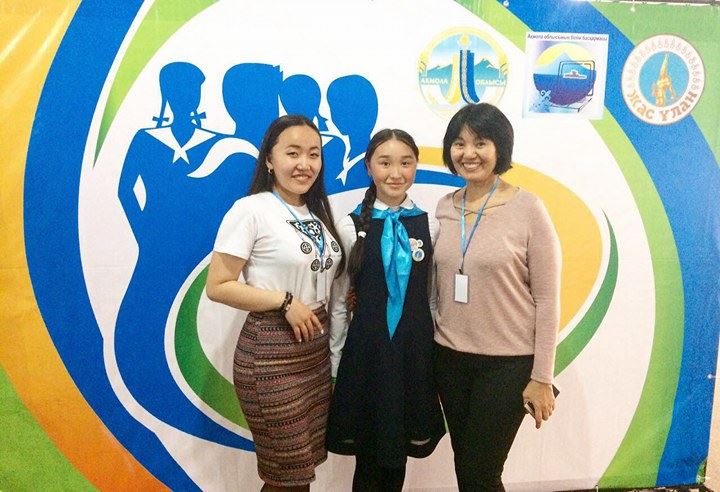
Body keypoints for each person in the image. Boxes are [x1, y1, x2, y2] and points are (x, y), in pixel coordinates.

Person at [205, 115, 345, 491]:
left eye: (314, 154)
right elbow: (218, 286)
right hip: (270, 355)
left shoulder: (316, 211)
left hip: (313, 353)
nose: (305, 164)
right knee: (287, 475)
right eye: (293, 153)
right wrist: (284, 302)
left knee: (300, 473)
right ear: (269, 159)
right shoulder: (251, 209)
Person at [432, 103, 561, 491]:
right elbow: (434, 287)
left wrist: (542, 377)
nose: (468, 153)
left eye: (480, 143)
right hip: (449, 359)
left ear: (499, 148)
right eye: (459, 143)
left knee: (481, 472)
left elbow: (547, 300)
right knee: (465, 465)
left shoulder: (529, 209)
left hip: (507, 366)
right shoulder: (444, 207)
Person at [326, 129, 446, 491]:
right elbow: (339, 302)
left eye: (405, 163)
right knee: (369, 452)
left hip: (413, 352)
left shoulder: (431, 224)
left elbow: (431, 297)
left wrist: (433, 355)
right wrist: (336, 362)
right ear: (368, 167)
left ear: (416, 166)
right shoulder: (350, 226)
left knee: (399, 450)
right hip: (367, 353)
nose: (396, 173)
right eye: (385, 163)